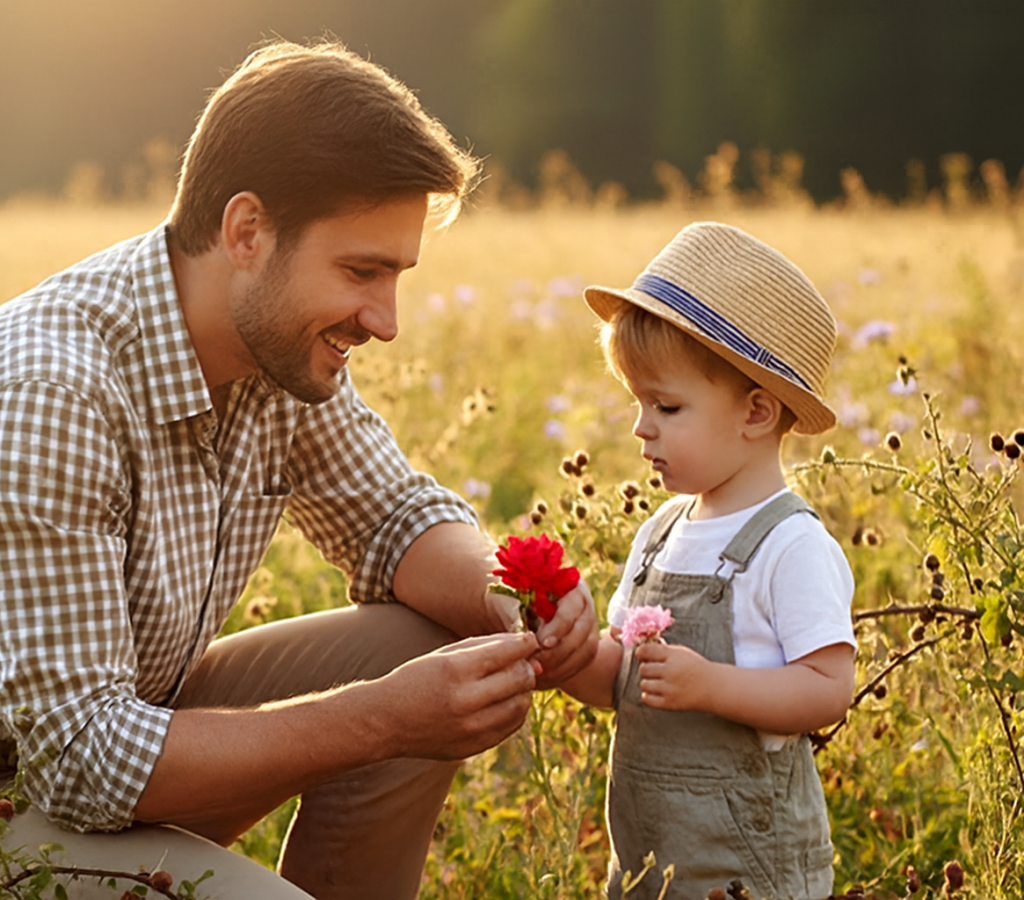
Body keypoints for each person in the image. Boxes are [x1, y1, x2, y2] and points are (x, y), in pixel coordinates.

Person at [0, 39, 597, 900]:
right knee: (390, 698)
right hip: (30, 798)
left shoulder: (272, 348)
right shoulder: (54, 392)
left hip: (118, 739)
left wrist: (510, 592)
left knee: (429, 635)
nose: (385, 320)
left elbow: (393, 519)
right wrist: (380, 719)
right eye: (361, 271)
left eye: (396, 276)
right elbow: (78, 760)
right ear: (246, 232)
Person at [560, 222, 857, 900]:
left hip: (750, 871)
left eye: (666, 405)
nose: (641, 426)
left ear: (756, 414)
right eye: (638, 402)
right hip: (648, 864)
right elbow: (621, 682)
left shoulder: (791, 545)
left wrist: (710, 686)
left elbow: (826, 689)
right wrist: (565, 658)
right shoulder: (660, 533)